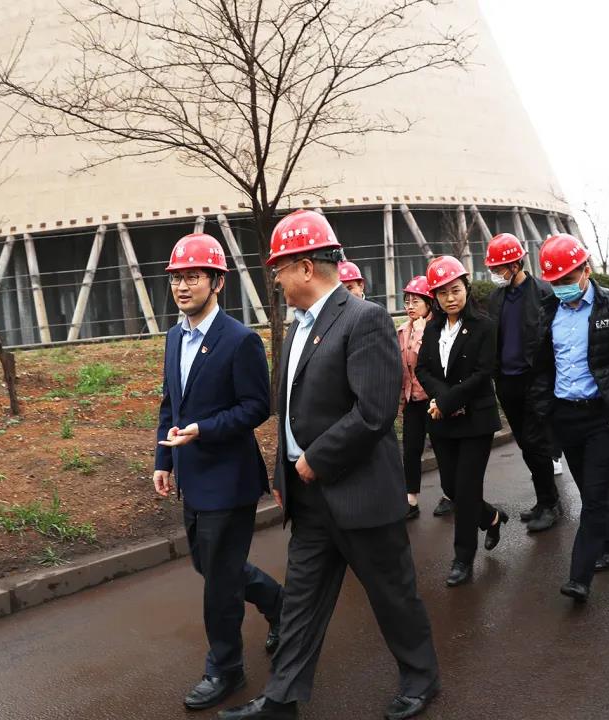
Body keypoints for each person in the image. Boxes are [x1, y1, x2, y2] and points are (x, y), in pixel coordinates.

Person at [221, 210, 440, 720]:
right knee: (301, 601)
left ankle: (421, 679)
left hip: (360, 493)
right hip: (309, 497)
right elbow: (289, 411)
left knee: (392, 595)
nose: (275, 281)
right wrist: (285, 473)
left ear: (305, 267)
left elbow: (374, 410)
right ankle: (282, 699)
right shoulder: (297, 328)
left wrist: (315, 460)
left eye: (279, 269)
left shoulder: (364, 319)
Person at [153, 233, 284, 711]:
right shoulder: (174, 337)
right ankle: (280, 604)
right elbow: (170, 403)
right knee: (209, 566)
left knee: (220, 583)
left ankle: (225, 669)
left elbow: (257, 407)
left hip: (229, 481)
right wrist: (164, 460)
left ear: (217, 282)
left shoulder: (239, 340)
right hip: (192, 476)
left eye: (193, 276)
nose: (183, 286)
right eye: (177, 278)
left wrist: (203, 430)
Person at [532, 234, 609, 602]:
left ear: (586, 270)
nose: (562, 287)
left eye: (568, 279)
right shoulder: (548, 309)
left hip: (603, 416)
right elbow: (542, 365)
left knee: (594, 497)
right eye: (555, 281)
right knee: (593, 491)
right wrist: (544, 408)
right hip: (565, 415)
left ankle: (580, 575)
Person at [416, 255, 508, 587]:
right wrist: (442, 400)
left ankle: (463, 558)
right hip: (442, 421)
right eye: (442, 293)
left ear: (466, 288)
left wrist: (447, 400)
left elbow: (484, 373)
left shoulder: (484, 325)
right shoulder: (433, 327)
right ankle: (492, 517)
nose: (450, 298)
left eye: (455, 290)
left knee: (467, 488)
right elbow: (423, 368)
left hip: (475, 420)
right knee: (453, 488)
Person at [482, 233, 561, 532]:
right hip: (507, 382)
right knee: (526, 445)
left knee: (537, 444)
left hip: (535, 381)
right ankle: (544, 500)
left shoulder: (543, 292)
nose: (494, 274)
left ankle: (550, 503)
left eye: (498, 268)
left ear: (515, 265)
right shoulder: (496, 298)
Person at [398, 275, 435, 520]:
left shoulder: (435, 328)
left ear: (428, 303)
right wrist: (401, 400)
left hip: (433, 399)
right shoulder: (402, 330)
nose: (410, 306)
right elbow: (401, 369)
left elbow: (428, 360)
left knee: (442, 448)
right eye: (407, 301)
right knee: (411, 449)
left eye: (416, 301)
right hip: (412, 399)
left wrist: (421, 332)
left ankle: (451, 495)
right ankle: (411, 498)